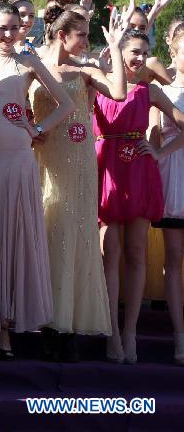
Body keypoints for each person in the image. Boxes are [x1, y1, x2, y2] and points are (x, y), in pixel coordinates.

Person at [0, 3, 75, 360]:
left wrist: (38, 128)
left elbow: (66, 104)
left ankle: (5, 325)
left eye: (14, 28)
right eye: (2, 28)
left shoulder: (29, 63)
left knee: (12, 238)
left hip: (18, 159)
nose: (8, 34)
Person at [33, 9, 125, 362]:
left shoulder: (86, 71)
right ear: (62, 35)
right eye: (82, 35)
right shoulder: (36, 65)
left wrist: (115, 47)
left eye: (88, 35)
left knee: (74, 233)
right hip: (44, 157)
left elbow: (117, 93)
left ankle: (67, 324)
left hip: (79, 160)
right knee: (47, 229)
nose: (87, 41)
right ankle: (42, 320)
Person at [96, 22, 184, 365]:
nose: (141, 59)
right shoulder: (101, 83)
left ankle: (130, 331)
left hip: (139, 171)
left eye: (145, 54)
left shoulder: (152, 91)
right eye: (135, 52)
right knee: (111, 252)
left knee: (136, 252)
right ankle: (111, 333)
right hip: (108, 170)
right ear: (120, 51)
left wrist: (160, 152)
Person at [151, 27, 184, 365]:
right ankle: (179, 336)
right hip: (174, 177)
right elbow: (153, 132)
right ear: (174, 53)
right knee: (173, 259)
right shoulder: (161, 90)